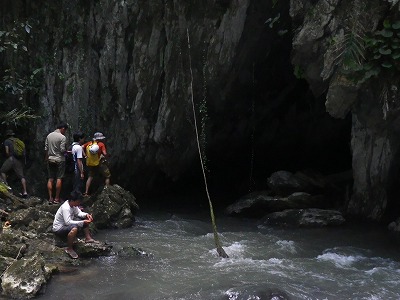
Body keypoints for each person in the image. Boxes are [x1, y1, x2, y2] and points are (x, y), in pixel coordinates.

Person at [52, 191, 96, 259]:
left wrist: (86, 215)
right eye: (78, 202)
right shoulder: (65, 208)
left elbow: (79, 213)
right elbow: (68, 222)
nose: (79, 203)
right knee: (75, 228)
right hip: (59, 228)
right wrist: (82, 222)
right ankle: (69, 248)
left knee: (83, 220)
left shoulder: (73, 205)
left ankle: (88, 238)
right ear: (72, 200)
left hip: (66, 225)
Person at [45, 122, 68, 204]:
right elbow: (62, 150)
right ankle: (57, 198)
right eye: (65, 130)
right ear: (63, 128)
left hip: (50, 159)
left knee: (50, 178)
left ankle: (50, 198)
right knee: (59, 178)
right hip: (60, 159)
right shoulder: (62, 137)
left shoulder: (49, 135)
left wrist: (46, 159)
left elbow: (46, 149)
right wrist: (67, 152)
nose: (65, 132)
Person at [0, 129, 28, 198]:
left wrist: (8, 157)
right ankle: (25, 192)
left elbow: (7, 151)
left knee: (2, 171)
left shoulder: (7, 141)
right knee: (21, 176)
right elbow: (24, 152)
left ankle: (6, 186)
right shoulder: (19, 141)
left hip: (11, 159)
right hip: (19, 160)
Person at [82, 132, 111, 196]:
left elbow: (82, 147)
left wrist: (85, 155)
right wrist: (108, 156)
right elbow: (104, 153)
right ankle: (107, 191)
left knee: (90, 177)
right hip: (99, 162)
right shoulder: (101, 144)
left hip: (90, 163)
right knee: (107, 176)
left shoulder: (89, 143)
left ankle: (86, 192)